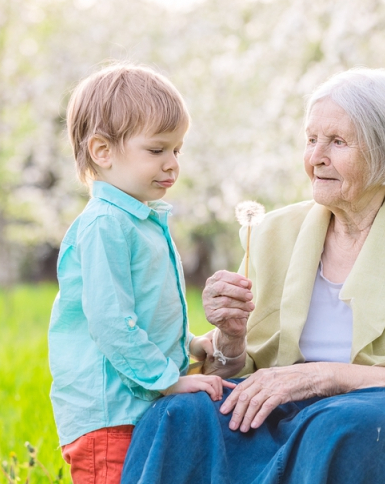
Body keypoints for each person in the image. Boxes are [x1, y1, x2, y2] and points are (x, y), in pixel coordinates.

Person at [121, 68, 385, 484]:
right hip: (296, 421)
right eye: (311, 140)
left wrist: (325, 378)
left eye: (337, 142)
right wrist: (231, 337)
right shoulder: (273, 232)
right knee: (182, 413)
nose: (315, 157)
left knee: (340, 425)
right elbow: (239, 367)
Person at [48, 63, 233, 484]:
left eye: (177, 150)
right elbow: (111, 322)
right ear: (102, 151)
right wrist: (169, 382)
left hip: (139, 402)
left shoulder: (139, 221)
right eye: (157, 150)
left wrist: (192, 344)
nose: (172, 164)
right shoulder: (105, 225)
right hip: (109, 413)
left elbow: (142, 311)